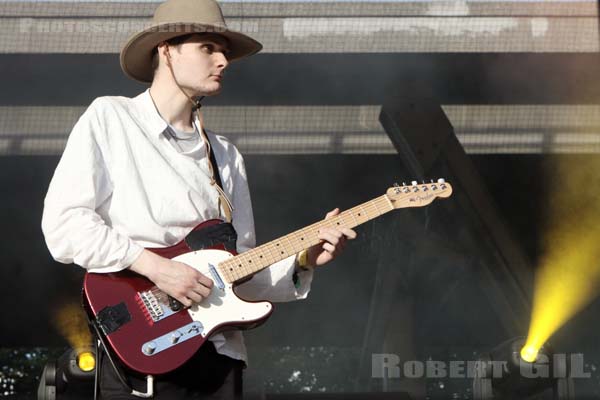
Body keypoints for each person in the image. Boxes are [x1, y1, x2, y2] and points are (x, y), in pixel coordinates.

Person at [41, 0, 356, 398]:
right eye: (208, 47)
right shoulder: (111, 119)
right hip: (144, 355)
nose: (223, 60)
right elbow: (65, 226)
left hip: (219, 358)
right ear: (167, 50)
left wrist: (305, 258)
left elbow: (238, 268)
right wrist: (157, 268)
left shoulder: (225, 155)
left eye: (224, 51)